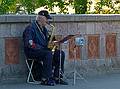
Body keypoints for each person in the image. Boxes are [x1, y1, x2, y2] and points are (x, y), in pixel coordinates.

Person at [23, 10, 68, 86]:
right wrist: (43, 48)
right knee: (48, 54)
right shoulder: (30, 28)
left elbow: (48, 41)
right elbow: (29, 44)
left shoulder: (44, 29)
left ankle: (57, 77)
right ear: (40, 18)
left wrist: (53, 42)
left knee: (60, 53)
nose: (47, 21)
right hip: (32, 51)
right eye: (46, 19)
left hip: (43, 50)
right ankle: (45, 79)